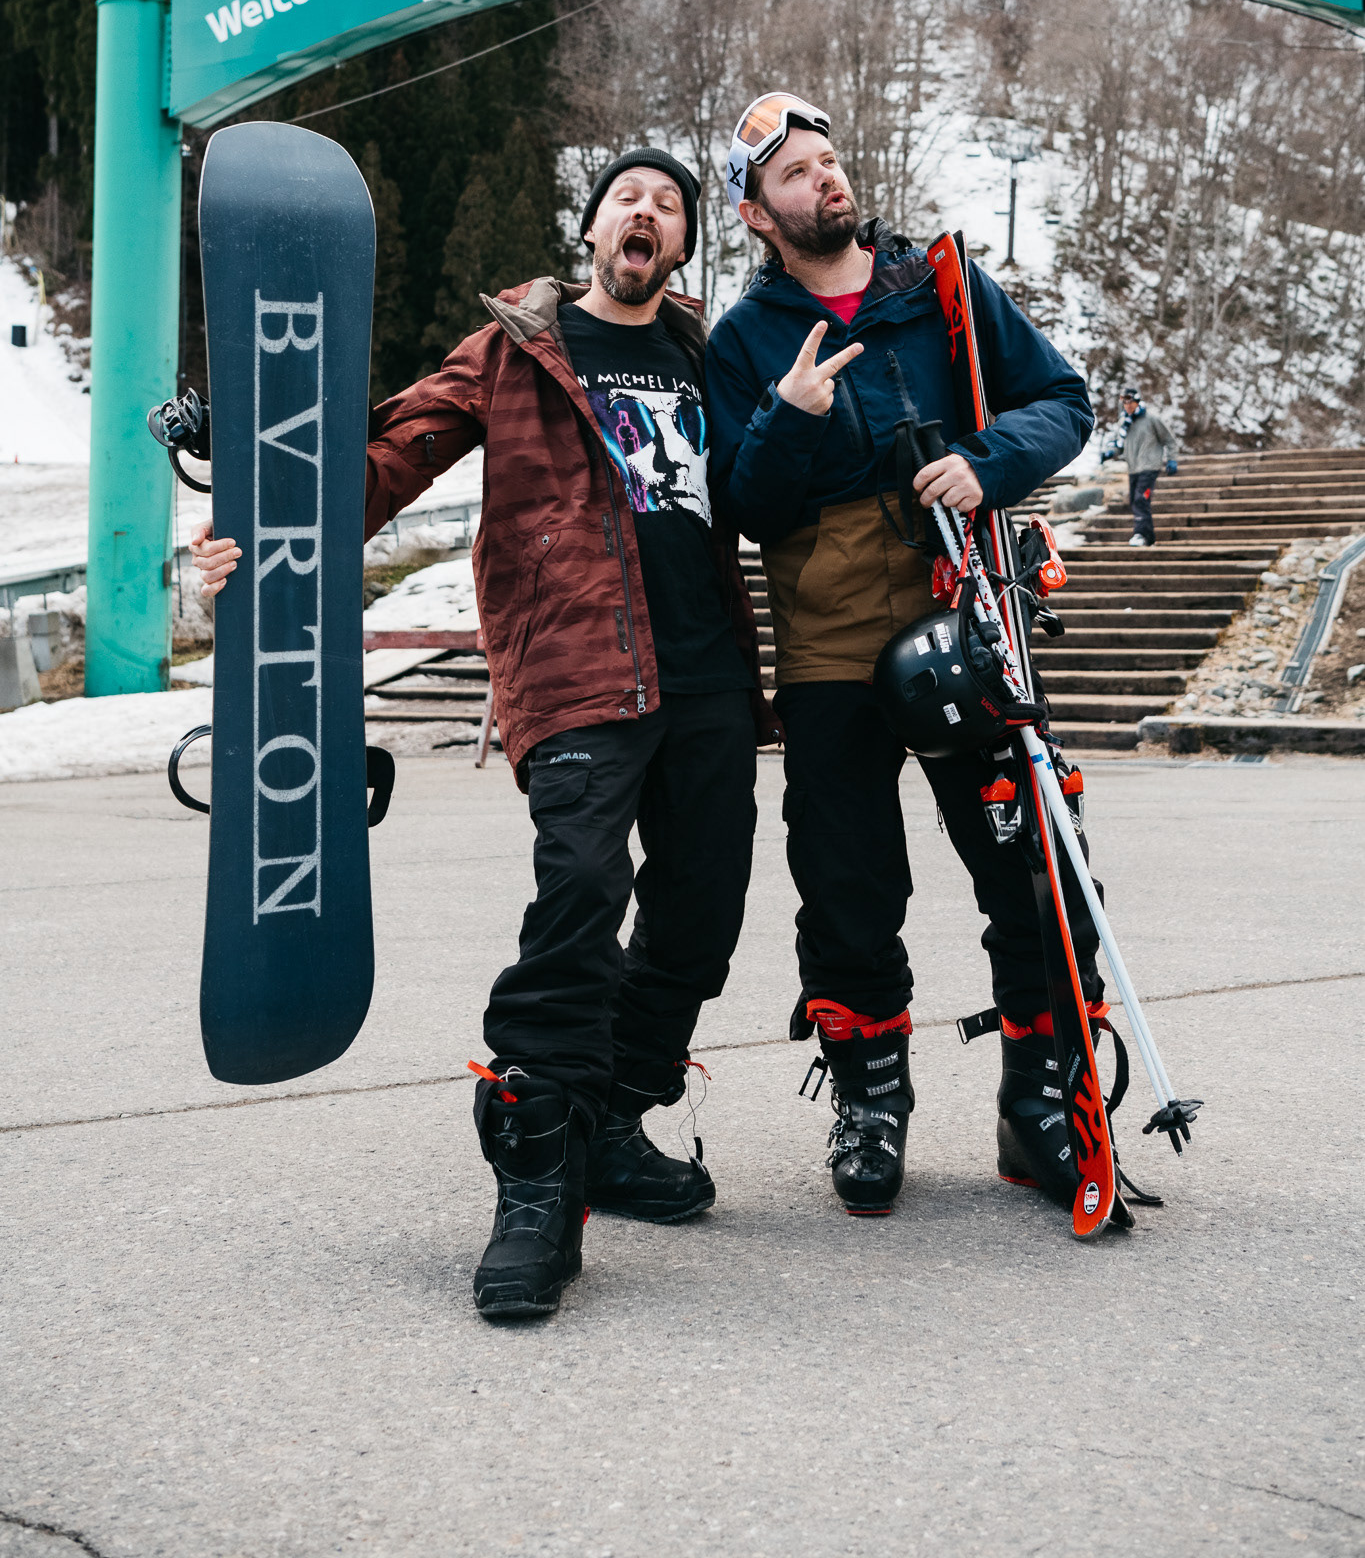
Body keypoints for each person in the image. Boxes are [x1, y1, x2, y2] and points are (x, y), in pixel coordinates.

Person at [191, 148, 773, 1321]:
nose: (646, 212)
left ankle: (612, 1122)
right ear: (592, 229)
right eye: (627, 197)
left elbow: (773, 475)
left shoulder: (712, 352)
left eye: (668, 204)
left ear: (682, 243)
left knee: (703, 909)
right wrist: (252, 503)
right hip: (574, 658)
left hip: (708, 669)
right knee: (581, 889)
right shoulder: (516, 344)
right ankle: (538, 1180)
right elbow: (388, 457)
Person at [705, 92, 1102, 1220]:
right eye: (794, 173)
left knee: (1032, 860)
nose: (824, 179)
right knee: (845, 881)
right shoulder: (743, 340)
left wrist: (987, 460)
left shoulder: (942, 287)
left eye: (828, 160)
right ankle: (872, 1101)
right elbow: (739, 506)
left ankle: (1039, 1102)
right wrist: (787, 414)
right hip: (826, 633)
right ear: (757, 214)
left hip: (962, 607)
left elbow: (1062, 401)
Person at [1100, 387, 1178, 547]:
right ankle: (1149, 538)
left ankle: (1140, 534)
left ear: (1137, 402)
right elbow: (1119, 445)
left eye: (1131, 402)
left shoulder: (1152, 419)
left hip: (1150, 466)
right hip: (1133, 468)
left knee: (1141, 499)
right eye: (1125, 402)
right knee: (1135, 501)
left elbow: (1169, 440)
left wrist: (1172, 459)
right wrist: (1110, 452)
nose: (1128, 405)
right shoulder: (1125, 423)